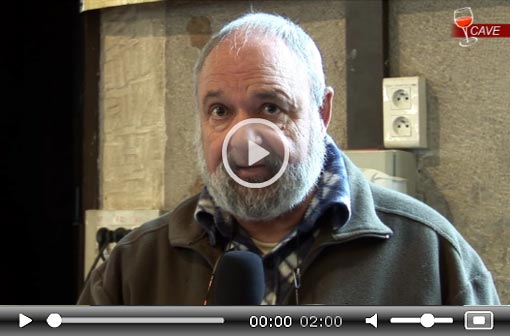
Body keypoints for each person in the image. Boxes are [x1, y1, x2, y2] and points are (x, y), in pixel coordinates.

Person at [78, 12, 500, 305]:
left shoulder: (430, 255)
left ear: (322, 112)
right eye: (220, 111)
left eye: (271, 107)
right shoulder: (134, 267)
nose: (243, 141)